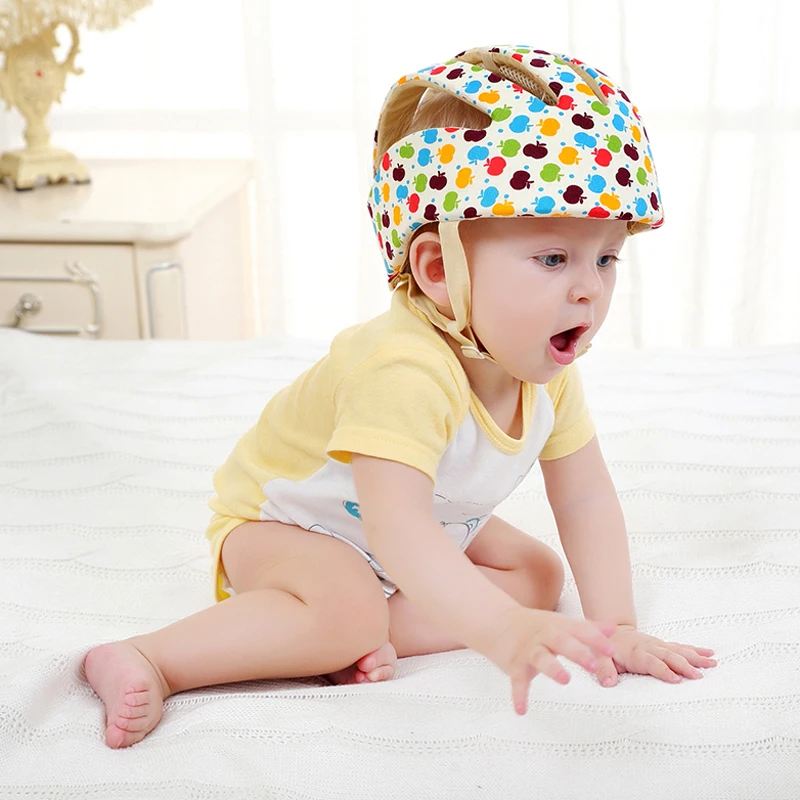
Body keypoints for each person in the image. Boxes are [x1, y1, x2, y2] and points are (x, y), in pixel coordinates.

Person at [83, 43, 717, 749]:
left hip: (404, 530)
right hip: (289, 526)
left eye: (605, 258)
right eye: (552, 258)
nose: (589, 288)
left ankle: (329, 639)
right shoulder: (403, 369)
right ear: (439, 270)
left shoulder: (547, 377)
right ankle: (153, 657)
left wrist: (615, 632)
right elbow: (397, 527)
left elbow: (585, 499)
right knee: (355, 606)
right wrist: (498, 630)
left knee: (536, 576)